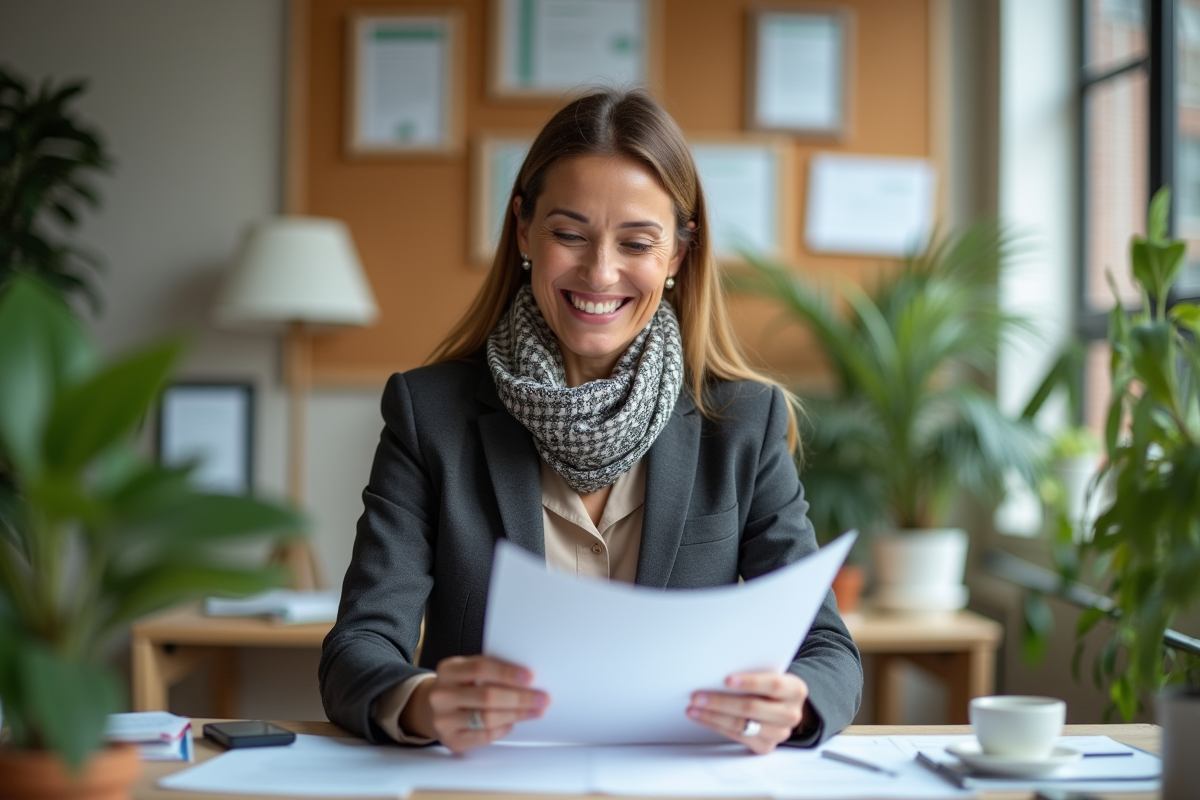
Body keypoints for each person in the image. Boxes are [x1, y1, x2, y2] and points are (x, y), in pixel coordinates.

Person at [319, 88, 862, 755]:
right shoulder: (428, 412)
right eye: (569, 235)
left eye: (636, 242)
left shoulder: (743, 421)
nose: (599, 273)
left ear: (677, 258)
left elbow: (828, 647)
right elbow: (359, 645)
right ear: (524, 229)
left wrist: (797, 705)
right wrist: (422, 701)